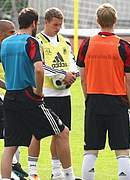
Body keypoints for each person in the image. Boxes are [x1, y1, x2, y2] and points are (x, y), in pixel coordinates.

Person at [0, 8, 76, 180]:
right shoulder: (32, 42)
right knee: (62, 132)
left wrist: (7, 86)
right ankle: (68, 176)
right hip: (28, 97)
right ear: (34, 23)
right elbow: (39, 69)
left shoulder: (5, 43)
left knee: (10, 146)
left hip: (11, 98)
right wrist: (39, 92)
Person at [76, 3, 130, 180]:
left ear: (97, 21)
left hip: (94, 100)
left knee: (91, 149)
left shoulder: (86, 44)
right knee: (122, 151)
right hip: (118, 102)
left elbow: (83, 77)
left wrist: (89, 99)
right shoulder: (123, 46)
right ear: (115, 20)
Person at [26, 8, 78, 180]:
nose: (58, 28)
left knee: (61, 133)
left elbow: (73, 63)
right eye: (55, 24)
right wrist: (62, 75)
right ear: (46, 22)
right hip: (45, 95)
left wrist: (72, 75)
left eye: (60, 25)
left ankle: (56, 172)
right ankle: (32, 170)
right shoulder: (37, 42)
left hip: (64, 95)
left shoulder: (65, 42)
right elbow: (40, 66)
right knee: (38, 133)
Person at [0, 19, 29, 179]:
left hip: (7, 97)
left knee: (12, 133)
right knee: (12, 133)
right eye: (11, 32)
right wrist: (10, 86)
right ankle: (13, 168)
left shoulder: (7, 48)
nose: (14, 34)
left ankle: (14, 167)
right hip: (8, 96)